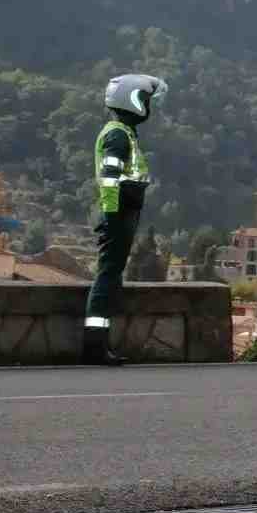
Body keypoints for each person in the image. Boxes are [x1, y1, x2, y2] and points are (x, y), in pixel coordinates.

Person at [83, 74, 168, 366]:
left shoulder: (125, 133)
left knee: (112, 274)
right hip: (118, 215)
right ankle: (95, 345)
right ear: (130, 100)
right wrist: (113, 216)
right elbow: (109, 180)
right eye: (144, 99)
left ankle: (101, 342)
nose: (147, 106)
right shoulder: (118, 134)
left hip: (124, 213)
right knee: (107, 275)